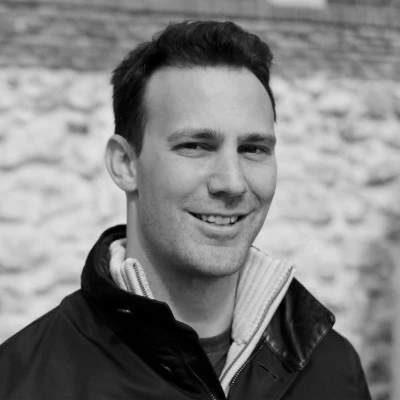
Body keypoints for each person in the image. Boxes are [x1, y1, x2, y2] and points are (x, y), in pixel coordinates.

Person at [0, 20, 371, 399]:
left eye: (253, 149)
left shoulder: (334, 370)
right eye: (195, 146)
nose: (232, 182)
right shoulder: (21, 382)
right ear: (125, 164)